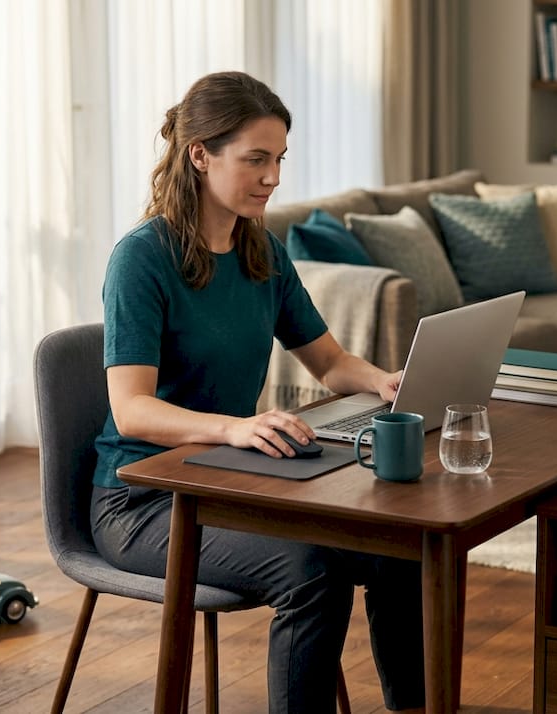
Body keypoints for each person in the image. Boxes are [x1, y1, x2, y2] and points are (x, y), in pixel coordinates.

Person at [91, 71, 426, 713]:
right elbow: (130, 410)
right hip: (142, 501)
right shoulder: (141, 258)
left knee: (399, 544)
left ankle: (415, 707)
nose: (272, 177)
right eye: (256, 159)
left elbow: (329, 361)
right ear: (200, 155)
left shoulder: (261, 251)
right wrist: (234, 428)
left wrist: (382, 380)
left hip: (228, 478)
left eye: (279, 160)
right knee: (312, 571)